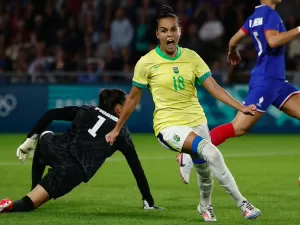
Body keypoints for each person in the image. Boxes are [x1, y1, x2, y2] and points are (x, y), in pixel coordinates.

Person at [105, 5, 261, 222]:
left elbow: (214, 87)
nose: (169, 34)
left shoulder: (192, 57)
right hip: (168, 126)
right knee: (213, 153)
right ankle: (242, 203)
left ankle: (205, 206)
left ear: (180, 31)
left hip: (197, 121)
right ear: (157, 34)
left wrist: (240, 107)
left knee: (205, 170)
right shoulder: (147, 63)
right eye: (164, 30)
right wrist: (117, 128)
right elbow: (132, 99)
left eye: (173, 29)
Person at [177, 0, 300, 184]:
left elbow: (234, 39)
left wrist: (232, 50)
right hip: (266, 82)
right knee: (238, 127)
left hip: (277, 83)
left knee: (238, 127)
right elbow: (273, 41)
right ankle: (188, 153)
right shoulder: (270, 14)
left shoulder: (254, 17)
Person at [0, 89, 162, 213]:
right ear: (119, 109)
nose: (132, 106)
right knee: (27, 204)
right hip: (72, 170)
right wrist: (148, 200)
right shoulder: (120, 134)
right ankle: (19, 200)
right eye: (128, 103)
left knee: (45, 136)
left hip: (55, 148)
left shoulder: (87, 109)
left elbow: (52, 114)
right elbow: (136, 168)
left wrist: (31, 137)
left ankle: (34, 187)